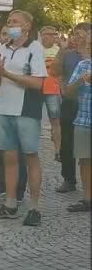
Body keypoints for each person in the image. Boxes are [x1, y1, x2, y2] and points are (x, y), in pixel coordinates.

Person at [0, 10, 47, 226]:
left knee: (30, 157)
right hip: (2, 107)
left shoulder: (35, 48)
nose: (11, 24)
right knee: (9, 158)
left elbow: (38, 83)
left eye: (15, 22)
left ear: (27, 26)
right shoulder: (3, 47)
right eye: (9, 21)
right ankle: (10, 204)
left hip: (26, 109)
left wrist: (6, 74)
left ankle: (34, 207)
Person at [53, 22, 92, 193]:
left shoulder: (86, 56)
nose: (77, 37)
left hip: (86, 104)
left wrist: (85, 49)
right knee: (67, 143)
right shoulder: (68, 54)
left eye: (81, 34)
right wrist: (62, 50)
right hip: (70, 103)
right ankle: (69, 179)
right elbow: (54, 71)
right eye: (75, 34)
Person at [64, 29, 91, 212]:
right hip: (84, 120)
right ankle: (88, 198)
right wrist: (80, 81)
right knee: (85, 161)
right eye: (89, 44)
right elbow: (68, 92)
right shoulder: (83, 65)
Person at [39, 26, 62, 160]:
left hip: (53, 89)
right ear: (42, 35)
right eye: (49, 34)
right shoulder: (36, 49)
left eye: (54, 34)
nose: (52, 37)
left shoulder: (58, 50)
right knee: (34, 120)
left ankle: (58, 150)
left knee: (55, 120)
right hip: (36, 88)